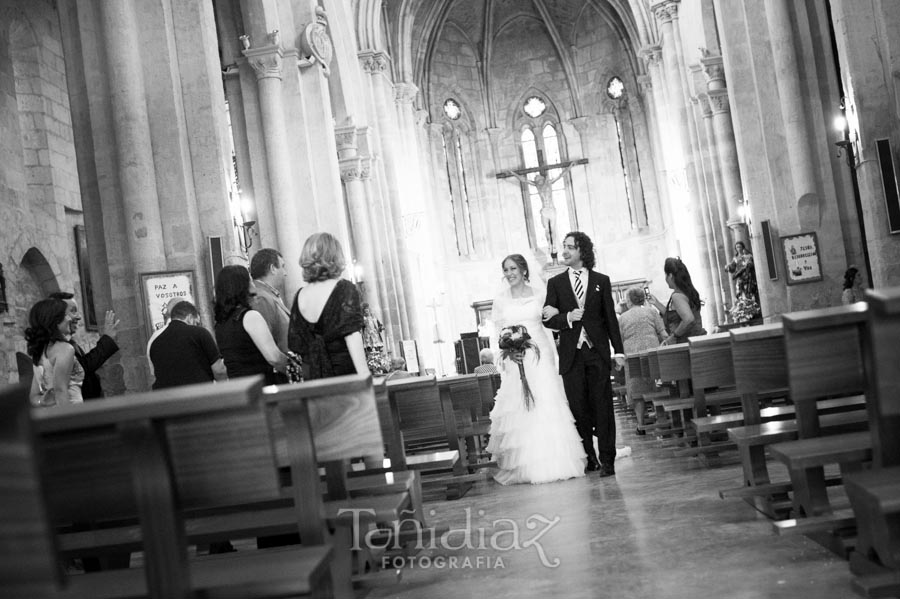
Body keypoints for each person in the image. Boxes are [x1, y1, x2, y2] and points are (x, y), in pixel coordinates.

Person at [486, 253, 586, 485]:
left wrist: (568, 317)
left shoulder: (541, 295)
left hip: (540, 353)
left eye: (513, 269)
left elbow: (552, 321)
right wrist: (509, 350)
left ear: (523, 271)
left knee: (546, 400)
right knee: (521, 405)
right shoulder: (500, 300)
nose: (509, 274)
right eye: (506, 270)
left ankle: (557, 459)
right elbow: (499, 332)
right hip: (516, 357)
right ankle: (527, 464)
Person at [543, 232, 625, 477]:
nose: (564, 251)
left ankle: (607, 459)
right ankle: (590, 456)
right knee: (579, 408)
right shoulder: (555, 283)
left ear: (583, 251)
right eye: (564, 246)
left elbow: (610, 318)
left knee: (603, 408)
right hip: (572, 356)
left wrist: (618, 351)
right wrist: (567, 318)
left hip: (597, 353)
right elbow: (547, 320)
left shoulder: (602, 280)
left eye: (570, 247)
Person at [288, 232, 368, 380]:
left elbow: (299, 349)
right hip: (345, 380)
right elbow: (351, 336)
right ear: (335, 256)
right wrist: (366, 378)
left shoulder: (300, 295)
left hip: (314, 381)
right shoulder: (344, 289)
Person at [214, 265, 288, 385]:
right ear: (242, 285)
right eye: (249, 279)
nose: (253, 284)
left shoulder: (221, 323)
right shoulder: (250, 317)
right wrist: (296, 369)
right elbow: (274, 357)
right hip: (258, 388)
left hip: (238, 390)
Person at [48, 291, 119, 399]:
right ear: (57, 316)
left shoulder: (68, 342)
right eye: (73, 311)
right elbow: (83, 368)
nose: (79, 317)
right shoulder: (53, 345)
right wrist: (107, 339)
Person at [618, 286, 666, 434]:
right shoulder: (651, 312)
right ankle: (661, 420)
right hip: (652, 353)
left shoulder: (623, 318)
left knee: (637, 389)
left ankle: (641, 424)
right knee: (656, 386)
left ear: (629, 301)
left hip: (633, 355)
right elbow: (662, 333)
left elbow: (619, 339)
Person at [499, 163, 577, 252]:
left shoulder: (549, 183)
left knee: (552, 228)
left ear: (542, 179)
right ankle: (549, 245)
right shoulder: (537, 186)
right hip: (544, 211)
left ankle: (554, 245)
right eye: (536, 180)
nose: (537, 181)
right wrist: (513, 173)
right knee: (547, 229)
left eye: (538, 179)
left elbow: (561, 175)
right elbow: (523, 180)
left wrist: (570, 166)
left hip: (551, 210)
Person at [149, 300, 227, 389]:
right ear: (190, 318)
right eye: (197, 322)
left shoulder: (155, 343)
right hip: (198, 396)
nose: (197, 325)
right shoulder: (200, 333)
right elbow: (219, 371)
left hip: (167, 399)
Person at [25, 298, 84, 407]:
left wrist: (42, 401)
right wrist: (68, 421)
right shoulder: (65, 348)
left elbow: (34, 397)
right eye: (65, 315)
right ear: (54, 320)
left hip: (50, 415)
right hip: (69, 414)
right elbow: (61, 391)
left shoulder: (41, 351)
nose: (69, 319)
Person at [649, 257, 707, 345]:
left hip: (687, 343)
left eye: (666, 275)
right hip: (696, 341)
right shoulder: (687, 291)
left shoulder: (677, 296)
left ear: (670, 276)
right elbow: (675, 316)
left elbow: (688, 319)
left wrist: (673, 337)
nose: (665, 279)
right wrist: (656, 303)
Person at [250, 248, 290, 352]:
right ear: (273, 268)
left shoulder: (269, 295)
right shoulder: (261, 298)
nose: (285, 273)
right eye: (283, 267)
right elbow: (266, 345)